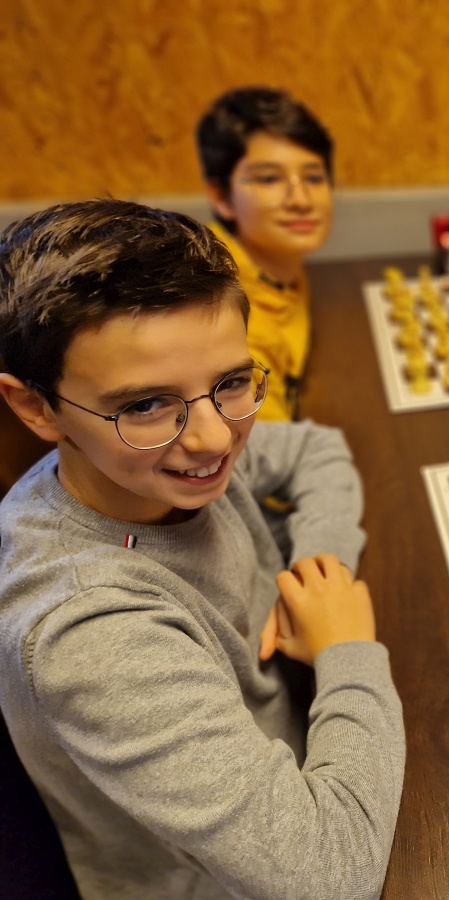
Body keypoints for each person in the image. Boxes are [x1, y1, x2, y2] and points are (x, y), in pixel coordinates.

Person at [0, 199, 405, 899]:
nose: (215, 438)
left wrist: (319, 572)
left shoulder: (150, 461)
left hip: (297, 742)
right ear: (37, 407)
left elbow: (315, 447)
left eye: (233, 382)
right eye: (145, 404)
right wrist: (346, 647)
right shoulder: (91, 633)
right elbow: (332, 877)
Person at [196, 86, 334, 421]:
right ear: (221, 197)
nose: (301, 200)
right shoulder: (229, 325)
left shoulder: (274, 263)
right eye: (270, 179)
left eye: (314, 177)